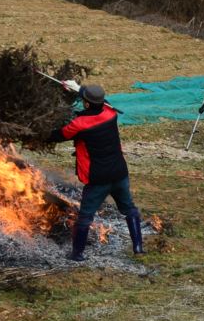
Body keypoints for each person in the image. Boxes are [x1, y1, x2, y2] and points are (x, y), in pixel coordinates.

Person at [50, 83, 144, 260]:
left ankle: (77, 254)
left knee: (85, 217)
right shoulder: (111, 113)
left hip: (97, 179)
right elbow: (102, 102)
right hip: (119, 173)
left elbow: (57, 135)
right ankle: (138, 247)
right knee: (129, 209)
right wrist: (78, 88)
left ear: (85, 104)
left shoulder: (79, 124)